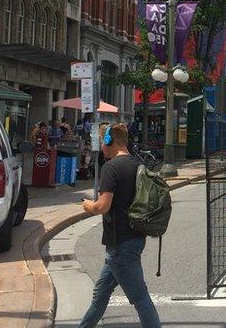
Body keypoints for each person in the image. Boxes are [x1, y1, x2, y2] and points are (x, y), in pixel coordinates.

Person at [79, 123, 160, 328]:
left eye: (102, 142)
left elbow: (102, 206)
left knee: (140, 298)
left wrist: (88, 205)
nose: (101, 147)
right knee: (100, 295)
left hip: (120, 244)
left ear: (109, 141)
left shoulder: (111, 167)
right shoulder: (137, 164)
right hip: (133, 239)